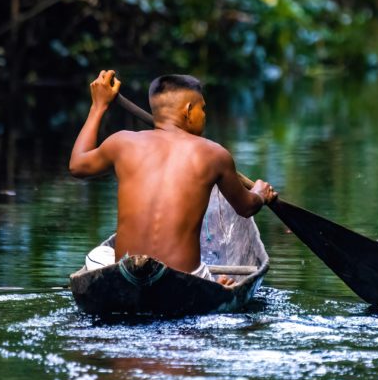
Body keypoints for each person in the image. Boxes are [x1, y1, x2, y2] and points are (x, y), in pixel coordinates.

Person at [68, 71, 277, 284]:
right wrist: (260, 193)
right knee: (208, 278)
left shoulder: (122, 142)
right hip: (186, 279)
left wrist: (98, 107)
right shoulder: (215, 154)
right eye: (202, 108)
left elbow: (77, 166)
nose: (204, 115)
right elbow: (246, 207)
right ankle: (214, 284)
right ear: (188, 110)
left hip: (127, 274)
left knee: (99, 256)